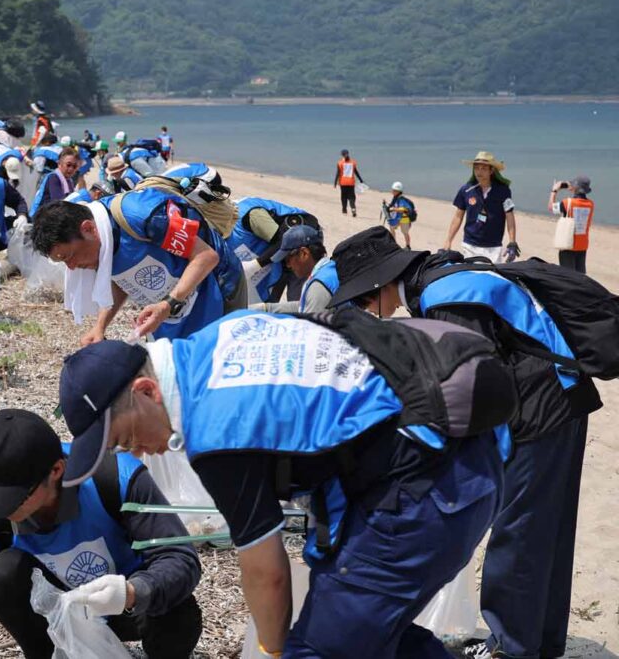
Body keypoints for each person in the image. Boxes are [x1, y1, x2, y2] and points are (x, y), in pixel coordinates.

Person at [56, 313, 513, 658]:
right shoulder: (225, 334)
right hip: (464, 458)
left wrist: (273, 653)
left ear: (147, 391)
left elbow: (266, 572)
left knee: (314, 649)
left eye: (125, 437)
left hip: (428, 492)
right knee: (360, 627)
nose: (136, 452)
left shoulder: (216, 432)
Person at [328, 227, 603, 659]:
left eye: (364, 297)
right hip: (564, 399)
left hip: (539, 412)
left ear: (381, 283)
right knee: (546, 530)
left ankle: (510, 648)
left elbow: (469, 385)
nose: (371, 309)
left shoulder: (446, 298)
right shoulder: (444, 272)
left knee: (516, 531)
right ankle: (541, 641)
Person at [0, 409, 203, 659]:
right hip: (52, 615)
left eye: (12, 499)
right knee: (7, 573)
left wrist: (132, 592)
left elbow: (180, 558)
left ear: (56, 470)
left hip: (124, 608)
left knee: (178, 610)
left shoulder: (115, 479)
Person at [31, 183, 246, 343]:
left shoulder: (141, 216)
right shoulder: (99, 244)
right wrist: (100, 327)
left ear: (88, 229)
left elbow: (206, 257)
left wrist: (168, 304)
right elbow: (121, 279)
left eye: (67, 256)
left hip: (217, 286)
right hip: (171, 306)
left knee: (217, 364)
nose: (71, 267)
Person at [226, 195, 317, 305]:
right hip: (277, 256)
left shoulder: (251, 216)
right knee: (270, 302)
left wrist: (253, 266)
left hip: (300, 244)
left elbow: (284, 241)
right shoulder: (220, 231)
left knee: (297, 301)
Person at [443, 151, 519, 263]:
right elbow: (458, 217)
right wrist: (448, 241)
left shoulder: (503, 191)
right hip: (469, 246)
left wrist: (512, 242)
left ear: (491, 170)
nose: (479, 172)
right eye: (477, 168)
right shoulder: (466, 190)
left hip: (494, 247)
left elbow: (509, 216)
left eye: (483, 168)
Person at [252, 224, 334, 313]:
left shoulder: (318, 286)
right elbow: (303, 306)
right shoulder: (328, 269)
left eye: (288, 259)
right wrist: (266, 308)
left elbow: (311, 322)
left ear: (304, 253)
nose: (288, 265)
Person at [549, 175, 594, 273]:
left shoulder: (567, 202)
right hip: (582, 244)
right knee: (580, 275)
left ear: (575, 188)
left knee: (568, 276)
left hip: (568, 243)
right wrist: (572, 187)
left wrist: (554, 191)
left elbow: (551, 207)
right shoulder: (590, 204)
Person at [30, 147, 79, 217]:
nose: (71, 169)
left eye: (74, 166)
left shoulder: (69, 181)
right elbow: (58, 202)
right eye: (68, 165)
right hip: (40, 217)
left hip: (52, 215)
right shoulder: (53, 178)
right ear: (59, 164)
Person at [383, 181, 416, 249]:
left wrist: (394, 209)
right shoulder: (395, 198)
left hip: (404, 219)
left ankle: (408, 246)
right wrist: (386, 204)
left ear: (398, 191)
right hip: (397, 218)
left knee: (405, 233)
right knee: (391, 227)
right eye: (393, 190)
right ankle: (393, 243)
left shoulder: (402, 199)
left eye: (394, 190)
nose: (392, 191)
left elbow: (404, 209)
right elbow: (392, 206)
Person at [333, 148, 364, 217]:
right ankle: (353, 208)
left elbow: (338, 173)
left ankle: (344, 210)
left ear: (342, 155)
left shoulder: (340, 163)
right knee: (352, 197)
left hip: (343, 183)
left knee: (343, 197)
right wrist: (361, 180)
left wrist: (335, 183)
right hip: (351, 183)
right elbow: (356, 172)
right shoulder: (353, 162)